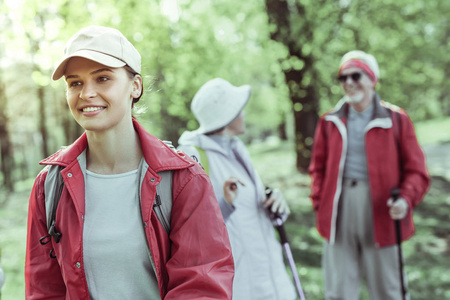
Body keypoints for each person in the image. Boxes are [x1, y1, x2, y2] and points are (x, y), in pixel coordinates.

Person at [25, 26, 234, 299]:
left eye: (102, 78)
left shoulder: (184, 179)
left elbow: (203, 286)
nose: (86, 93)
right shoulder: (49, 185)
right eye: (75, 83)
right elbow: (44, 290)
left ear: (135, 87)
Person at [308, 50, 430, 300]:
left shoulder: (396, 119)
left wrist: (405, 200)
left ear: (372, 79)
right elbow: (317, 168)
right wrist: (319, 202)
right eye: (343, 78)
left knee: (389, 289)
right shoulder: (329, 121)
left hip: (382, 210)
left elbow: (417, 171)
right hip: (339, 208)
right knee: (339, 290)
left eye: (355, 75)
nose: (348, 83)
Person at [178, 78, 296, 300]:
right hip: (242, 286)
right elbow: (191, 228)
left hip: (271, 278)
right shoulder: (192, 156)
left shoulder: (237, 148)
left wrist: (275, 202)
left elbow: (252, 204)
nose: (244, 113)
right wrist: (225, 204)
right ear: (227, 116)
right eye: (238, 108)